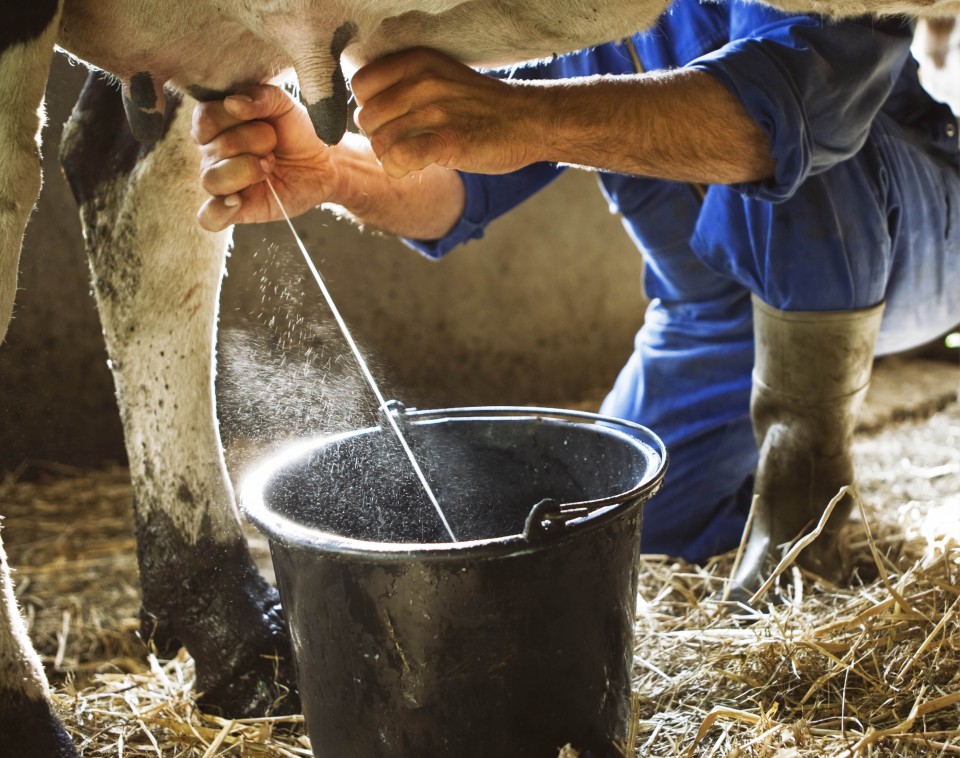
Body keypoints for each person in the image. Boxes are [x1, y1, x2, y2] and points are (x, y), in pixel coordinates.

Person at [192, 0, 960, 593]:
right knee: (627, 520)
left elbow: (787, 111)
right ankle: (746, 492)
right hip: (710, 315)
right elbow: (459, 184)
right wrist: (332, 172)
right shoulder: (575, 12)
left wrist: (521, 119)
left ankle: (806, 520)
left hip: (909, 236)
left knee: (795, 154)